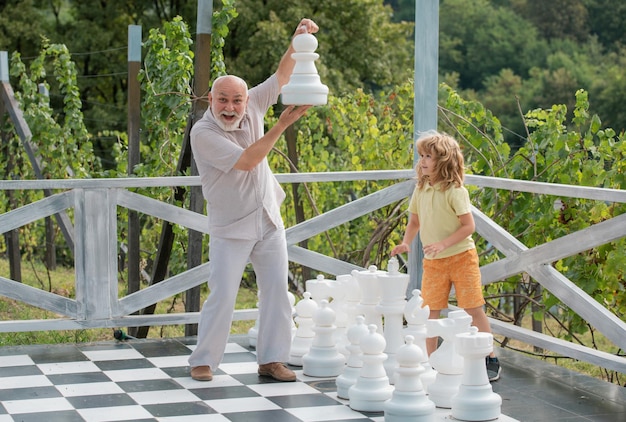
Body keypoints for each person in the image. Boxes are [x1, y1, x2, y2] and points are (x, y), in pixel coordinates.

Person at [187, 18, 318, 382]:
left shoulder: (255, 104)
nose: (231, 107)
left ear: (246, 99)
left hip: (267, 218)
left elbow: (282, 74)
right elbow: (247, 161)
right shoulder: (204, 132)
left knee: (277, 291)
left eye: (237, 100)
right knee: (223, 296)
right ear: (210, 100)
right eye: (223, 100)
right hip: (231, 227)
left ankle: (272, 359)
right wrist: (280, 126)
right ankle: (203, 361)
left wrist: (298, 39)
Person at [391, 131, 501, 381]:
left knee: (473, 308)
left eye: (428, 156)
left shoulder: (455, 190)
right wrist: (406, 243)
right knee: (431, 310)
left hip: (462, 257)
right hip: (434, 263)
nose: (422, 161)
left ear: (444, 160)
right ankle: (432, 362)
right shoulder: (421, 188)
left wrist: (443, 244)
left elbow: (468, 226)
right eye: (421, 156)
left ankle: (490, 356)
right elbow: (415, 221)